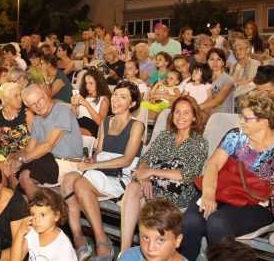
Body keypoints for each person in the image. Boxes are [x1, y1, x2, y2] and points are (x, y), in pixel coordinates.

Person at [181, 90, 274, 260]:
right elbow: (213, 164)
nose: (241, 121)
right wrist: (208, 194)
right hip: (220, 192)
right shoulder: (235, 136)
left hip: (256, 206)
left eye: (247, 118)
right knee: (191, 220)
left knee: (217, 221)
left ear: (265, 121)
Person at [62, 80, 144, 261]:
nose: (116, 100)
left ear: (132, 104)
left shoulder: (137, 125)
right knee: (68, 179)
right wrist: (90, 160)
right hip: (100, 170)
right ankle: (79, 239)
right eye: (115, 95)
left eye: (123, 97)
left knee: (81, 185)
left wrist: (94, 165)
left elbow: (127, 159)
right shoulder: (106, 122)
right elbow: (99, 153)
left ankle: (102, 241)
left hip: (120, 173)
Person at [121, 96, 208, 252]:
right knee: (133, 189)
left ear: (194, 117)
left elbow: (187, 174)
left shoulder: (199, 143)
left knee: (141, 207)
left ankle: (146, 250)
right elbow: (145, 159)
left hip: (177, 197)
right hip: (153, 189)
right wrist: (146, 176)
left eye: (186, 113)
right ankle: (125, 251)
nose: (180, 117)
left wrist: (152, 171)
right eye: (177, 112)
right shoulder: (164, 136)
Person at [6, 84, 83, 199]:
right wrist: (13, 158)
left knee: (25, 175)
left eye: (40, 100)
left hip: (68, 162)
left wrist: (21, 161)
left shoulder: (62, 111)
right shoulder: (37, 120)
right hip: (50, 160)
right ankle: (26, 213)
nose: (38, 106)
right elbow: (30, 150)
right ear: (29, 107)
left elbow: (48, 146)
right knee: (13, 173)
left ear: (45, 96)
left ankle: (42, 210)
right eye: (33, 104)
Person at [0, 82, 34, 188]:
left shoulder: (27, 114)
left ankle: (15, 199)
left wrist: (14, 157)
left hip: (24, 155)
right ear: (5, 100)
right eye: (15, 96)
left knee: (12, 173)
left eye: (20, 95)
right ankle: (3, 199)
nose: (20, 98)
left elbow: (34, 143)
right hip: (3, 156)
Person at [10, 188, 77, 261]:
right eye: (33, 214)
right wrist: (20, 233)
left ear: (56, 216)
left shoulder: (63, 247)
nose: (37, 220)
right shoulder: (33, 232)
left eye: (42, 215)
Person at [119, 199, 186, 261]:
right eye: (146, 238)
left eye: (161, 240)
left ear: (178, 240)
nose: (150, 248)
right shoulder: (127, 257)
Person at [71, 69, 112, 137]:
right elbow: (74, 116)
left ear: (98, 83)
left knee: (72, 132)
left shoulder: (104, 99)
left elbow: (100, 122)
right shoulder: (84, 95)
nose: (87, 86)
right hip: (78, 123)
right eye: (86, 83)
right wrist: (73, 105)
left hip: (91, 126)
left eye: (91, 83)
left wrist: (86, 104)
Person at [199, 48, 235, 116]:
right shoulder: (203, 78)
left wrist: (194, 108)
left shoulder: (228, 80)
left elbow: (216, 101)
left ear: (223, 63)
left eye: (219, 59)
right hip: (204, 112)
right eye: (212, 59)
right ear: (207, 61)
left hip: (221, 116)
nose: (215, 62)